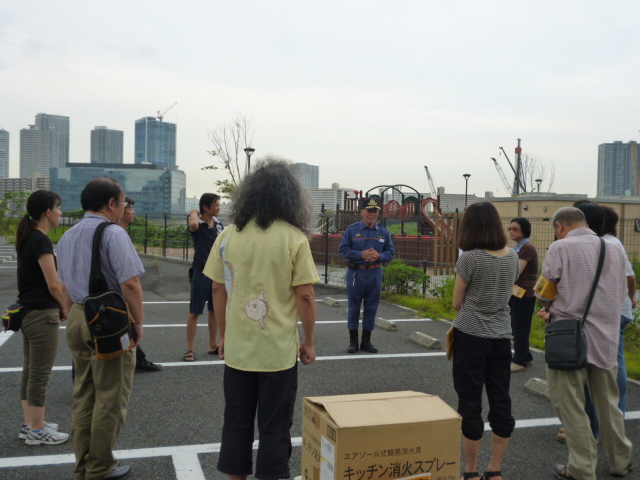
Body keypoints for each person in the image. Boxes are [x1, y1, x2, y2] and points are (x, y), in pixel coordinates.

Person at [204, 159, 318, 480]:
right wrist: (308, 341)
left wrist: (224, 336)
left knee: (237, 421)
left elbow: (218, 289)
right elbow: (305, 296)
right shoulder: (294, 238)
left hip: (238, 350)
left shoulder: (228, 235)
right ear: (290, 197)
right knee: (275, 425)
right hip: (277, 353)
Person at [536, 207, 633, 480]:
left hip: (569, 338)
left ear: (560, 226)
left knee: (570, 404)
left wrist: (550, 307)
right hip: (606, 337)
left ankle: (581, 467)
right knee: (609, 403)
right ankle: (620, 461)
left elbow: (544, 292)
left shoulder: (560, 247)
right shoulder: (614, 248)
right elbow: (622, 291)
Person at [57, 177, 145, 480]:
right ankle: (100, 468)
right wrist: (138, 322)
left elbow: (63, 285)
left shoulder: (67, 236)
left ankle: (83, 465)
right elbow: (130, 284)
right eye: (123, 201)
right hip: (108, 321)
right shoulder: (113, 233)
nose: (124, 206)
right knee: (111, 397)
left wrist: (72, 312)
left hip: (77, 314)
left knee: (84, 394)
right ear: (111, 203)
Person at [451, 202, 519, 480]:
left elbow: (457, 303)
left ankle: (471, 470)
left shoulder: (470, 258)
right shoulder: (513, 256)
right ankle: (495, 469)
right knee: (500, 400)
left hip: (471, 336)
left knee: (470, 403)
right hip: (502, 337)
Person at [16, 190, 71, 445]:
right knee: (40, 375)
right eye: (58, 208)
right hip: (41, 315)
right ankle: (38, 431)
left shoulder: (29, 237)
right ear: (48, 212)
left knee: (30, 371)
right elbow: (54, 283)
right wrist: (64, 307)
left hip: (28, 313)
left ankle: (31, 424)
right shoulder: (41, 240)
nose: (61, 212)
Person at [339, 197, 395, 353]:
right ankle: (353, 342)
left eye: (375, 211)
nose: (372, 214)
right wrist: (361, 254)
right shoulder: (352, 230)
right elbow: (343, 250)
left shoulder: (383, 232)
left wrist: (379, 256)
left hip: (375, 272)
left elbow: (391, 252)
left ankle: (366, 341)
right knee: (354, 307)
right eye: (369, 210)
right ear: (362, 212)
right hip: (357, 273)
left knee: (372, 307)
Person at [118, 196, 162, 373]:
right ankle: (135, 360)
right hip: (115, 298)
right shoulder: (116, 235)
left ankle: (138, 359)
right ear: (119, 208)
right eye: (130, 209)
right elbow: (130, 281)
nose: (134, 212)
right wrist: (139, 321)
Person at [183, 193, 223, 362]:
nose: (219, 208)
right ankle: (190, 349)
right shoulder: (198, 225)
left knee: (215, 310)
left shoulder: (219, 225)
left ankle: (213, 344)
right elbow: (193, 223)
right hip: (201, 273)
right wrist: (194, 211)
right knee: (195, 311)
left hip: (216, 274)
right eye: (216, 205)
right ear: (205, 207)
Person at [507, 217, 538, 373]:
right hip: (518, 292)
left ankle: (519, 361)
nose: (511, 232)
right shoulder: (519, 248)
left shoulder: (527, 247)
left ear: (524, 231)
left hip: (524, 293)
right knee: (517, 325)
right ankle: (526, 356)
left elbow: (516, 271)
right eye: (510, 229)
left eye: (515, 229)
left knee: (519, 326)